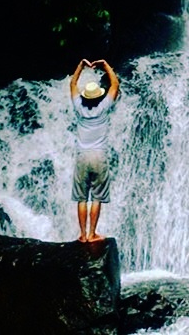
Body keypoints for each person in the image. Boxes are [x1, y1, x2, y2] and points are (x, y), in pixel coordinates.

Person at [70, 58, 120, 242]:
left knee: (81, 198)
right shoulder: (104, 107)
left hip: (82, 156)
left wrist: (80, 66)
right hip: (99, 156)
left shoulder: (78, 107)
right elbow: (115, 84)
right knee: (97, 197)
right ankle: (92, 234)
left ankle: (82, 235)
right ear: (99, 96)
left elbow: (73, 83)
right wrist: (105, 64)